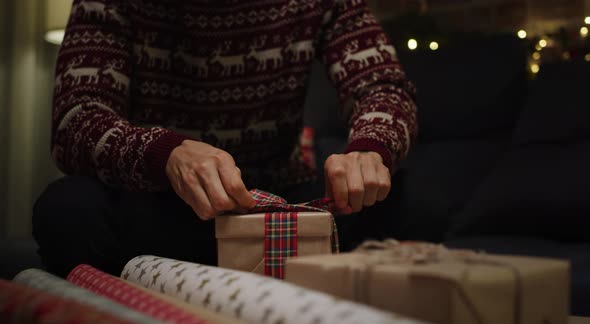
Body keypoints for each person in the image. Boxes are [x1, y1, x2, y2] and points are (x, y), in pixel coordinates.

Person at [33, 0, 417, 277]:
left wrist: (370, 148)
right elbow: (76, 118)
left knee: (404, 199)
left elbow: (382, 86)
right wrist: (164, 154)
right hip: (159, 208)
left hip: (283, 202)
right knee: (68, 210)